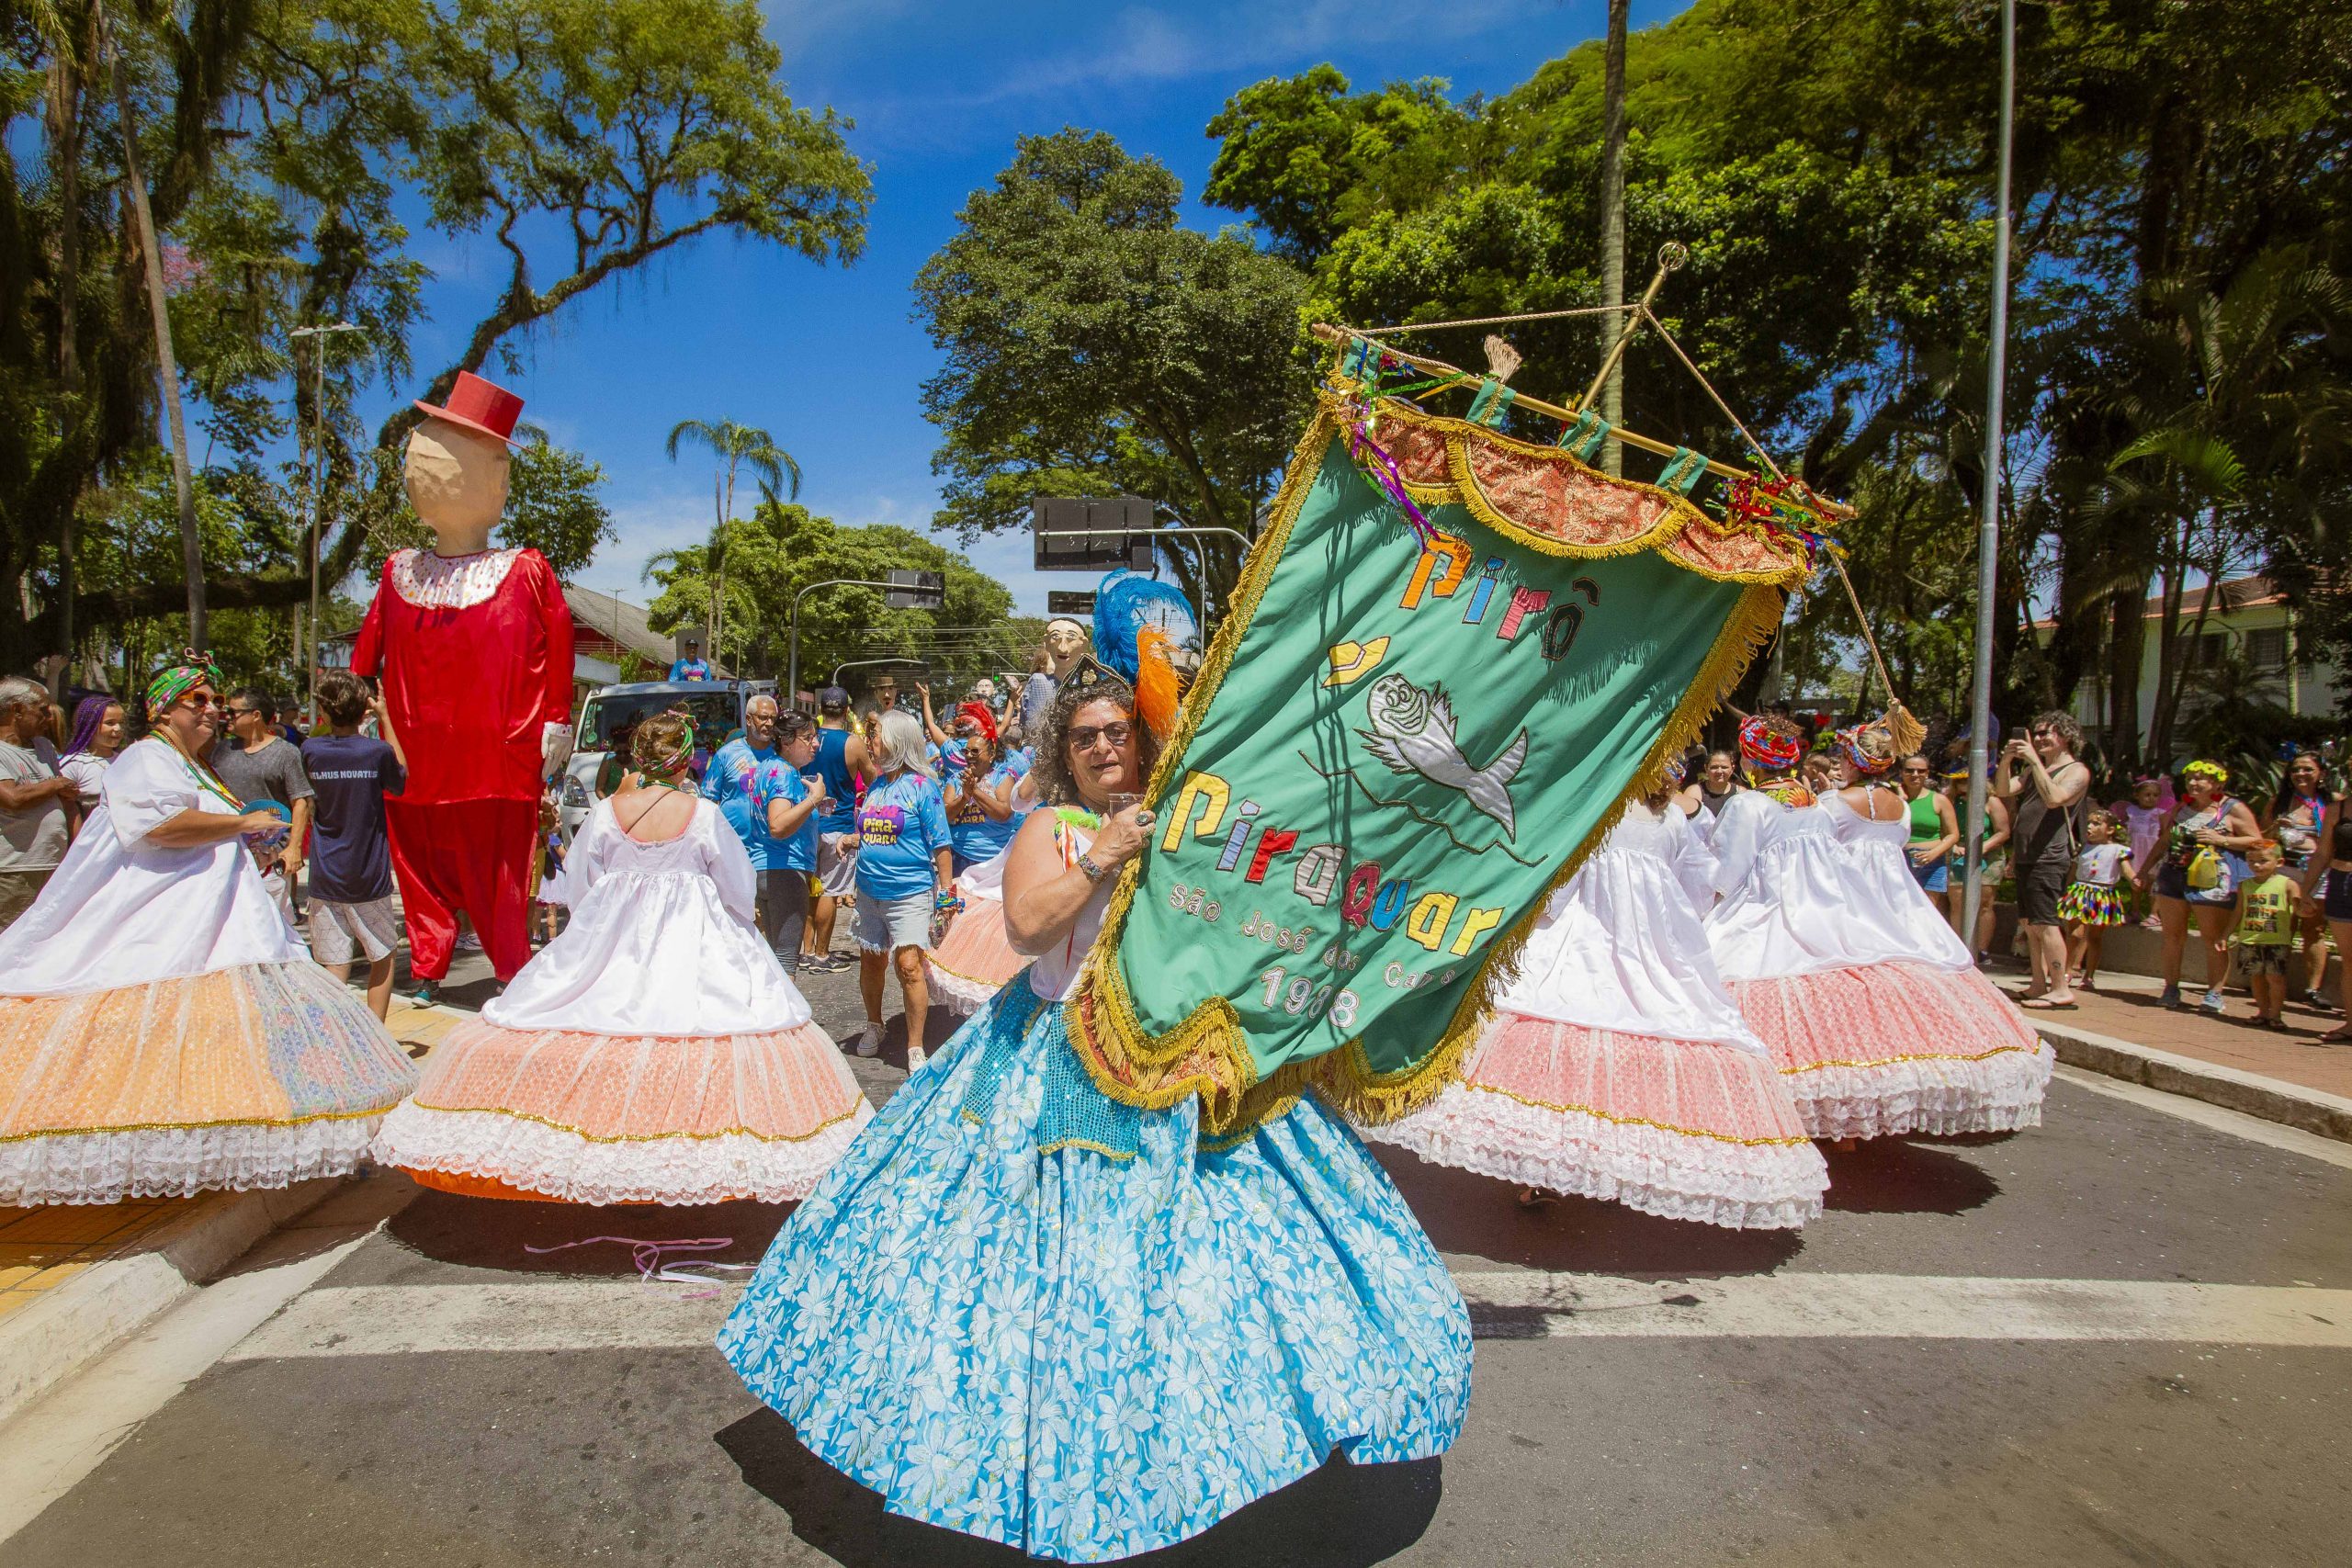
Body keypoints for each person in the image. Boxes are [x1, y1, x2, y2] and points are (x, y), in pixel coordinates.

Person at [718, 673, 1470, 1561]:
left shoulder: (1195, 814)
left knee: (1222, 1268)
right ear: (1061, 753)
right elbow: (1032, 929)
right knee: (1029, 1270)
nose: (1105, 747)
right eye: (1084, 737)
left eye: (1118, 730)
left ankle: (1212, 1446)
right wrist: (1104, 852)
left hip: (1185, 1060)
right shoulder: (1052, 826)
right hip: (1056, 1055)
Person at [372, 712, 871, 1204]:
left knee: (603, 1017)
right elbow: (737, 885)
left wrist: (600, 921)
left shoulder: (609, 810)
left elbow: (580, 885)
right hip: (692, 937)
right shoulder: (702, 815)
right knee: (700, 1023)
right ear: (683, 763)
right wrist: (735, 924)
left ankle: (608, 1145)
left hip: (616, 937)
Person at [0, 654, 414, 1204]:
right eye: (200, 702)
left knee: (219, 1032)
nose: (213, 711)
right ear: (165, 711)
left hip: (217, 913)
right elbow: (160, 826)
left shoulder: (192, 763)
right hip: (161, 918)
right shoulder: (146, 757)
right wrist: (245, 822)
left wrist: (250, 838)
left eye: (216, 703)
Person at [1367, 758, 1829, 1228]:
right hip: (1649, 941)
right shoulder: (1670, 812)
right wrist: (1678, 932)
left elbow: (1565, 874)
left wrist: (1540, 917)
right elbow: (1695, 877)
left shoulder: (1601, 802)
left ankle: (1545, 1167)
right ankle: (1609, 1163)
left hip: (1587, 930)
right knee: (1639, 1040)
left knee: (1557, 1037)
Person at [1707, 712, 2051, 1137]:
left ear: (1749, 759)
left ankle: (1760, 1100)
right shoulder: (1813, 801)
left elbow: (1728, 869)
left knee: (1736, 976)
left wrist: (1711, 902)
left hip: (1768, 904)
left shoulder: (1751, 803)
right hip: (1823, 904)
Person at [843, 710, 955, 1070]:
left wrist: (947, 895)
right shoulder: (876, 785)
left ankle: (914, 1044)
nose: (871, 742)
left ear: (899, 741)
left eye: (877, 736)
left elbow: (940, 844)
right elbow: (880, 831)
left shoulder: (924, 787)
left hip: (909, 893)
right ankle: (875, 1026)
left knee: (909, 966)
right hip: (869, 893)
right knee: (871, 962)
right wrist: (855, 839)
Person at [300, 671, 408, 1021]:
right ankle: (375, 1036)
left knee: (334, 964)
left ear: (325, 712)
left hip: (326, 875)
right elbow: (401, 778)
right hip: (368, 876)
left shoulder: (311, 750)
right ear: (365, 710)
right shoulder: (375, 752)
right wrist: (386, 717)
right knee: (382, 957)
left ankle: (336, 1039)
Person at [2138, 761, 2263, 1013]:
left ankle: (2215, 992)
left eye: (2200, 779)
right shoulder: (2182, 807)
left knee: (2213, 938)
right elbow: (2164, 840)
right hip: (2174, 873)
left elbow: (2257, 840)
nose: (2193, 783)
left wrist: (2221, 839)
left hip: (2212, 878)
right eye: (2190, 779)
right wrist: (2144, 871)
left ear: (2217, 782)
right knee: (2172, 935)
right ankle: (2171, 987)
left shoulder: (2232, 808)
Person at [1997, 711, 2092, 1010]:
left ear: (2065, 737)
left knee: (2046, 923)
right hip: (2026, 856)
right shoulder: (2033, 770)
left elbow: (2055, 798)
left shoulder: (2076, 770)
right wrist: (2008, 760)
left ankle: (2061, 987)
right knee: (2030, 923)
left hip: (2049, 858)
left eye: (2045, 734)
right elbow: (2002, 790)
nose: (2038, 739)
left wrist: (2035, 762)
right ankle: (2039, 984)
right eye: (2035, 734)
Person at [701, 694, 797, 959]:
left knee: (772, 922)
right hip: (734, 850)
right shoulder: (727, 755)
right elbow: (708, 800)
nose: (768, 723)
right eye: (762, 717)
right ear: (748, 719)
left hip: (772, 852)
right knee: (737, 916)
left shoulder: (783, 756)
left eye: (772, 718)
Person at [210, 686, 314, 927]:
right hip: (227, 854)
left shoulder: (285, 753)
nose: (227, 716)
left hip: (270, 858)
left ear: (255, 715)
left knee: (271, 929)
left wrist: (294, 848)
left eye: (233, 712)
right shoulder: (220, 751)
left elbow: (300, 801)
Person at [749, 711, 827, 972]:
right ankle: (790, 1013)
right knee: (785, 962)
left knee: (775, 960)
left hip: (767, 869)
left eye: (815, 737)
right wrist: (813, 799)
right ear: (787, 740)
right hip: (784, 871)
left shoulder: (769, 766)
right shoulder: (782, 772)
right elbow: (778, 825)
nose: (815, 744)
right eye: (808, 738)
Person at [2262, 751, 2336, 1010]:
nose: (2300, 774)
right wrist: (2275, 827)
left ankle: (2313, 989)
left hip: (2321, 872)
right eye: (2295, 770)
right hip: (2287, 871)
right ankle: (2271, 981)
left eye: (2307, 769)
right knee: (2282, 927)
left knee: (2314, 929)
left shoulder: (2333, 802)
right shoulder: (2280, 801)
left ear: (2321, 773)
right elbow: (2262, 839)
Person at [0, 676, 75, 931]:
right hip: (15, 870)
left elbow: (64, 800)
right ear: (17, 710)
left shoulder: (44, 747)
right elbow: (12, 799)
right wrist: (55, 784)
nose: (49, 716)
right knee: (12, 939)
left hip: (53, 863)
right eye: (42, 710)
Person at [802, 686, 866, 972]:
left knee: (808, 889)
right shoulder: (852, 743)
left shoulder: (807, 738)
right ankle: (821, 954)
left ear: (819, 708)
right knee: (828, 891)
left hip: (804, 820)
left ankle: (804, 951)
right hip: (838, 825)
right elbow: (873, 777)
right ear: (845, 710)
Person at [2057, 809, 2134, 992]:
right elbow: (2072, 871)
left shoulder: (2119, 850)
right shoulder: (2083, 848)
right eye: (2089, 823)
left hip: (2102, 893)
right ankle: (2067, 970)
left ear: (2110, 830)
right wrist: (2065, 890)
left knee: (2094, 937)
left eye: (2096, 823)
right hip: (2080, 891)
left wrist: (2135, 880)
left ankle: (2089, 975)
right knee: (2074, 934)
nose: (2090, 827)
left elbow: (2127, 870)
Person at [1939, 767, 2011, 961]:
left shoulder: (1991, 801)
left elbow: (2003, 831)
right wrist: (1952, 846)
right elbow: (1943, 827)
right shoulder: (1951, 801)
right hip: (1958, 852)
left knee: (1985, 903)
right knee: (1957, 901)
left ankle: (1981, 950)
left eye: (1969, 779)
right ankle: (1959, 948)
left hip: (1988, 855)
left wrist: (1982, 848)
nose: (1964, 784)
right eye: (1960, 781)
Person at [2297, 795, 2352, 1044]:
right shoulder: (2337, 808)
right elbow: (2322, 853)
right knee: (2350, 959)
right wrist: (2306, 890)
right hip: (2341, 882)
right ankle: (2351, 1024)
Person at [941, 705, 1019, 876]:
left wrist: (975, 791)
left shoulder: (1003, 777)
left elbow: (1004, 813)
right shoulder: (955, 780)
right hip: (960, 856)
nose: (969, 755)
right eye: (966, 751)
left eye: (975, 751)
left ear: (991, 755)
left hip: (995, 859)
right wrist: (963, 798)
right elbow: (944, 816)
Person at [2230, 839, 2298, 1031]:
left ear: (2279, 862)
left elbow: (2298, 908)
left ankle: (2276, 1014)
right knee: (2256, 977)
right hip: (2250, 939)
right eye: (2251, 861)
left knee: (2276, 978)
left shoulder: (2288, 884)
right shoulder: (2245, 885)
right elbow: (2238, 911)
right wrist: (2226, 934)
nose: (2257, 865)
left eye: (2263, 860)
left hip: (2277, 940)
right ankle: (2263, 1012)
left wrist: (2304, 907)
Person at [1897, 751, 1960, 898]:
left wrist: (1934, 853)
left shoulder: (1939, 800)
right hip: (1900, 860)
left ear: (1927, 774)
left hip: (1931, 862)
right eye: (1909, 770)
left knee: (1927, 912)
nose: (1915, 774)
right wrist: (1900, 799)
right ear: (1901, 773)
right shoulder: (1893, 799)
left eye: (1921, 771)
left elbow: (1953, 834)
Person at [58, 694, 128, 819]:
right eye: (110, 723)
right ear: (90, 725)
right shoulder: (74, 764)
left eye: (121, 723)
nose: (118, 728)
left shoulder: (127, 760)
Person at [1695, 748, 1742, 818]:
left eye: (1724, 767)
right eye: (1714, 767)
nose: (1719, 771)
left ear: (1732, 769)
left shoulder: (1741, 793)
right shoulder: (1695, 792)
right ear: (1706, 768)